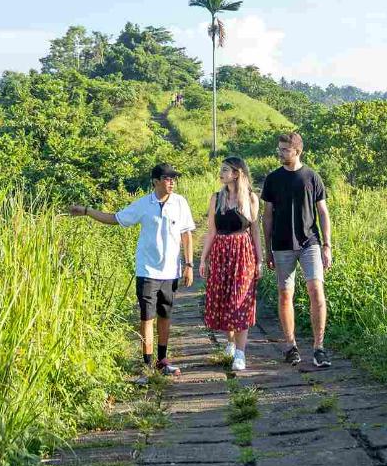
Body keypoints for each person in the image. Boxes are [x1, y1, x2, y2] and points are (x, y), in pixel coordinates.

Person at [65, 162, 196, 376]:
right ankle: (147, 364)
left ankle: (162, 360)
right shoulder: (144, 204)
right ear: (155, 181)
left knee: (165, 314)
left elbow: (187, 234)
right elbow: (115, 218)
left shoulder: (180, 203)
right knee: (147, 317)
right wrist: (87, 211)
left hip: (171, 270)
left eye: (174, 179)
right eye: (167, 178)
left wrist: (189, 265)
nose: (172, 182)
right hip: (147, 270)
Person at [260, 131, 333, 368]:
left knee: (316, 290)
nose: (280, 153)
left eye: (285, 149)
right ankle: (291, 346)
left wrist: (327, 245)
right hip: (282, 244)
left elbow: (323, 212)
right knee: (285, 294)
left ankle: (319, 347)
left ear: (297, 151)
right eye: (279, 149)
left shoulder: (312, 177)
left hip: (310, 242)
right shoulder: (272, 179)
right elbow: (267, 216)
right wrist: (268, 249)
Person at [198, 156, 263, 373]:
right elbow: (211, 231)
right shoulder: (216, 198)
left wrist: (260, 260)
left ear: (236, 174)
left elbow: (255, 232)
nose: (221, 173)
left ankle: (241, 353)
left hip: (243, 252)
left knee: (241, 300)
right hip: (220, 253)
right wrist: (203, 259)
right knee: (225, 299)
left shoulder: (251, 198)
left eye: (225, 170)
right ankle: (231, 341)